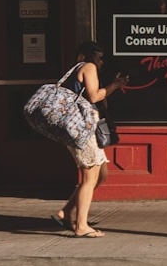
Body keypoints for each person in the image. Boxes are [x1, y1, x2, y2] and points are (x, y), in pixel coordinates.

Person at [51, 41, 127, 238]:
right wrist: (114, 86)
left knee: (101, 174)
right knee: (90, 177)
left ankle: (67, 212)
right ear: (91, 55)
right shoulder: (88, 67)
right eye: (100, 57)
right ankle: (81, 226)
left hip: (81, 128)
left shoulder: (78, 68)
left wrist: (113, 87)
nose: (102, 62)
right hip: (82, 129)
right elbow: (94, 97)